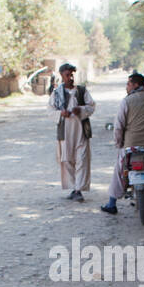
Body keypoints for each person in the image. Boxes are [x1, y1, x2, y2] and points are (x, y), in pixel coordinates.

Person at [101, 72, 144, 214]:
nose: (126, 87)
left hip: (130, 147)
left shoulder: (126, 101)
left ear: (136, 85)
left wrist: (119, 144)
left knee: (119, 170)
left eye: (128, 84)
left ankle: (112, 203)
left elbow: (119, 126)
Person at [50, 62, 95, 201]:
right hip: (65, 132)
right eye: (67, 75)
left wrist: (80, 110)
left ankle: (79, 189)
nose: (70, 78)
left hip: (81, 131)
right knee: (67, 160)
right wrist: (61, 113)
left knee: (82, 160)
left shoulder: (81, 91)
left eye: (72, 75)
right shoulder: (56, 93)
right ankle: (74, 187)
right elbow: (50, 110)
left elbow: (91, 106)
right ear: (62, 76)